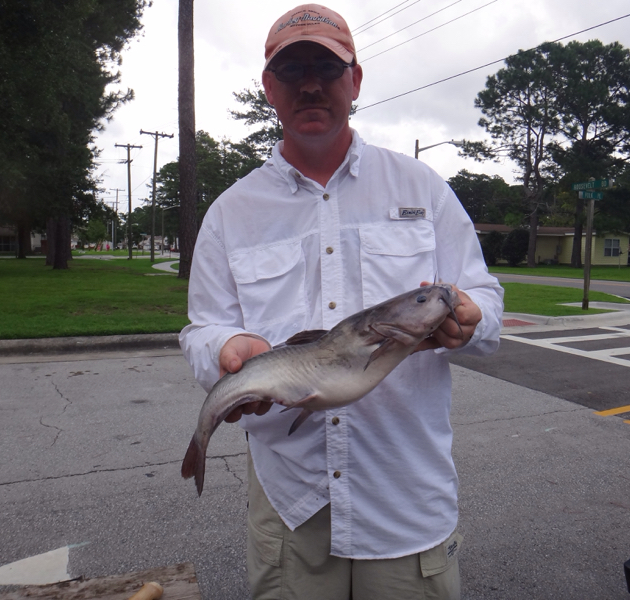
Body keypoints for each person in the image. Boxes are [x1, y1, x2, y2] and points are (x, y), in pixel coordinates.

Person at [179, 4, 504, 598]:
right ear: (269, 88)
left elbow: (483, 295)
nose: (310, 84)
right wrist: (228, 350)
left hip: (405, 496)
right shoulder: (230, 212)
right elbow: (202, 329)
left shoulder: (422, 188)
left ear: (354, 81)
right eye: (293, 69)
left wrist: (472, 319)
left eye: (327, 69)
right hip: (290, 502)